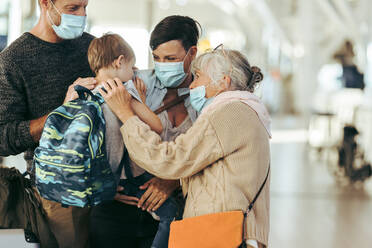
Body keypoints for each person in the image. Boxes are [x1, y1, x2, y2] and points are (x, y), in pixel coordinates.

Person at [100, 48, 271, 248]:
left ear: (223, 82)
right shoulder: (248, 111)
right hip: (228, 231)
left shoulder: (230, 111)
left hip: (219, 234)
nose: (192, 85)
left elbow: (170, 160)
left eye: (198, 77)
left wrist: (125, 113)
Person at [89, 15, 200, 248]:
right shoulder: (135, 81)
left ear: (192, 54)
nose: (162, 65)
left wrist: (173, 180)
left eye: (170, 58)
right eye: (157, 58)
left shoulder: (204, 99)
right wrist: (106, 184)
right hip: (117, 208)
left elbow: (208, 155)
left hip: (165, 211)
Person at [0, 0, 96, 247]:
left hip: (107, 187)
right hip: (57, 194)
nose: (82, 15)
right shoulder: (13, 60)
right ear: (45, 3)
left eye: (85, 7)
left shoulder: (92, 47)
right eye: (73, 8)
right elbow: (4, 138)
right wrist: (62, 113)